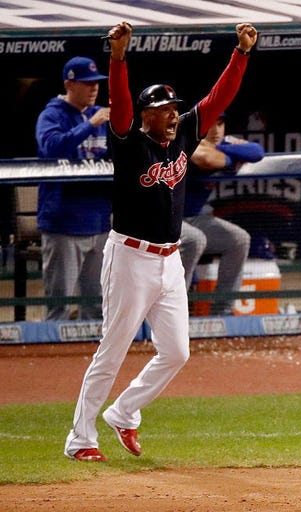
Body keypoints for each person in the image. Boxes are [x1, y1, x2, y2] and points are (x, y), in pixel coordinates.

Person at [63, 21, 257, 462]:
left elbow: (219, 98)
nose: (173, 114)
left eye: (175, 108)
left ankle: (125, 412)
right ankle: (81, 438)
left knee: (177, 352)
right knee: (112, 350)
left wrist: (241, 54)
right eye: (164, 108)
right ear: (146, 114)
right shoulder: (129, 141)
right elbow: (122, 105)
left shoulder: (185, 134)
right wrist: (118, 59)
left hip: (169, 261)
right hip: (130, 257)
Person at [35, 56, 112, 321]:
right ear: (69, 83)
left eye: (97, 83)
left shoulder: (100, 114)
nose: (94, 88)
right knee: (60, 306)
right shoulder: (51, 115)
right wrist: (89, 126)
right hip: (64, 223)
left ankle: (92, 362)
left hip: (100, 221)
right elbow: (52, 148)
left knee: (96, 308)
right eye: (86, 83)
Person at [180, 113, 262, 315]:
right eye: (210, 124)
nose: (216, 130)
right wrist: (231, 157)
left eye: (221, 123)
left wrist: (221, 150)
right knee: (195, 239)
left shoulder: (221, 142)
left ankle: (222, 311)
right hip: (164, 218)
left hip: (195, 217)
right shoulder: (185, 139)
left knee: (239, 240)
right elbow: (207, 158)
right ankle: (175, 311)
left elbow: (256, 151)